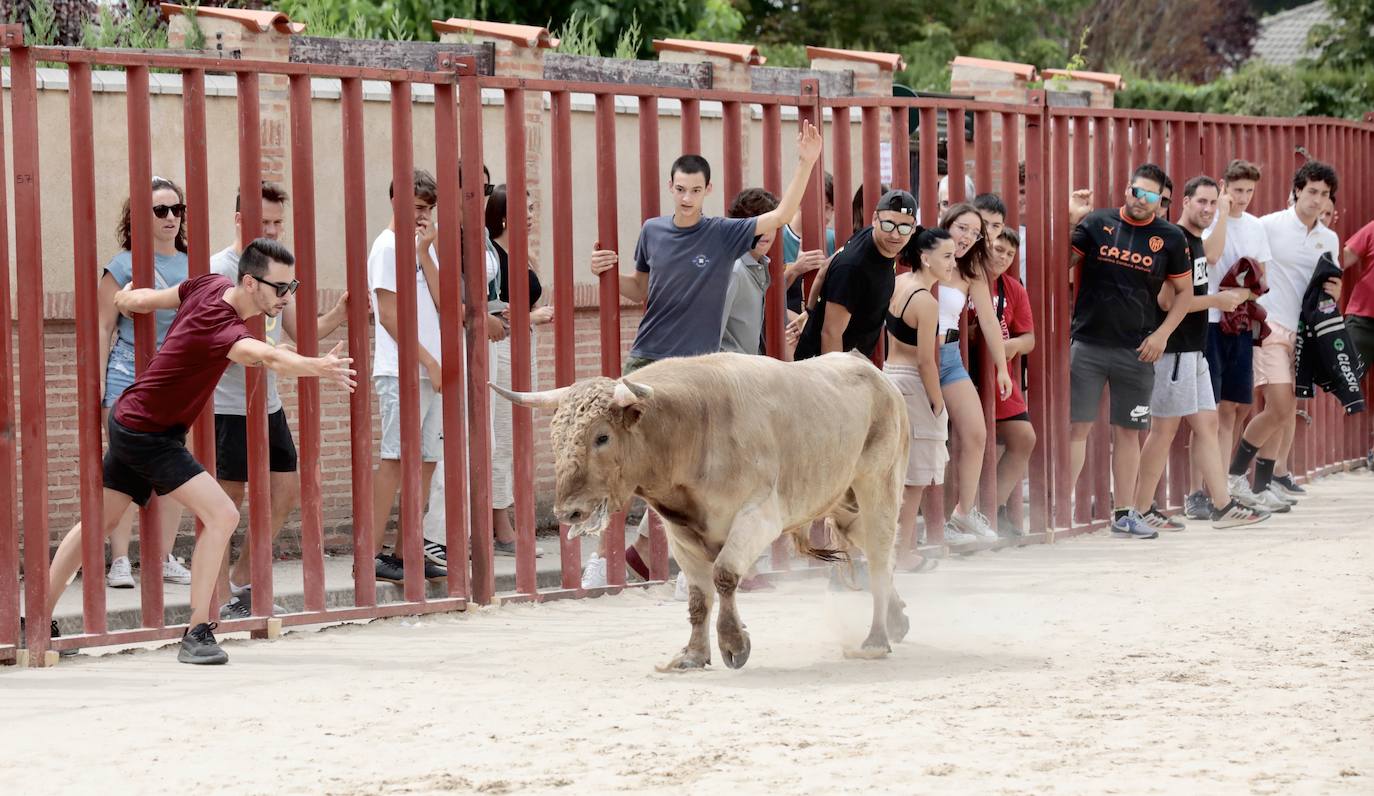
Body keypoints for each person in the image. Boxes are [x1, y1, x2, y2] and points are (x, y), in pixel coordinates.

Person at [39, 238, 356, 664]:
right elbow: (263, 357)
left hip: (135, 420)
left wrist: (126, 296)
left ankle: (36, 620)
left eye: (292, 286)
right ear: (249, 282)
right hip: (148, 432)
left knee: (100, 520)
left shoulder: (207, 284)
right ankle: (197, 631)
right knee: (223, 514)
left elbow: (156, 299)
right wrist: (315, 366)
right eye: (280, 288)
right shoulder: (223, 326)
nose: (287, 297)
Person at [583, 121, 823, 588]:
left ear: (708, 189)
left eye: (695, 189)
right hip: (647, 359)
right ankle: (598, 560)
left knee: (686, 475)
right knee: (621, 465)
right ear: (670, 188)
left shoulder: (721, 234)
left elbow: (780, 216)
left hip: (696, 377)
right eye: (679, 189)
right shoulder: (652, 230)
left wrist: (806, 162)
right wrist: (604, 274)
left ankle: (689, 570)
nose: (687, 197)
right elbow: (642, 289)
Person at [213, 182, 354, 619]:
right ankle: (216, 601)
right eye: (265, 222)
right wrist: (276, 357)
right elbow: (217, 339)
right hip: (227, 405)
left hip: (267, 400)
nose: (273, 230)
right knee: (225, 504)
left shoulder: (275, 267)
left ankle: (242, 580)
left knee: (286, 488)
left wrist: (340, 314)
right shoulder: (220, 268)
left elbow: (297, 330)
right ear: (240, 220)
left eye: (278, 222)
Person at [1132, 176, 1268, 530]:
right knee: (1162, 431)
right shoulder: (1175, 240)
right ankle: (1140, 508)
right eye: (1202, 202)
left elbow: (1214, 252)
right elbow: (1166, 300)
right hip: (1173, 350)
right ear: (1185, 202)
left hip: (1194, 349)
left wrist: (1223, 211)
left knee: (1207, 424)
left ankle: (1222, 506)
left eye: (1212, 202)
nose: (1207, 209)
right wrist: (1217, 301)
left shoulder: (1193, 241)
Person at [1066, 162, 1194, 540]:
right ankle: (1060, 510)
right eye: (1137, 192)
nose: (1142, 200)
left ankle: (1124, 513)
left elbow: (1185, 294)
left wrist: (1163, 336)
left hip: (1137, 349)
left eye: (1151, 196)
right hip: (1087, 342)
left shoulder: (1170, 238)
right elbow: (1062, 262)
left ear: (1162, 201)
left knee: (1129, 432)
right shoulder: (1096, 223)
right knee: (1077, 428)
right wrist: (1072, 218)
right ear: (1126, 189)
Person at [98, 177, 193, 590]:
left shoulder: (193, 265)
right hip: (126, 373)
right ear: (140, 217)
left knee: (173, 468)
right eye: (160, 211)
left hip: (172, 378)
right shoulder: (122, 266)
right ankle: (120, 560)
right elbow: (103, 328)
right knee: (121, 469)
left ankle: (163, 556)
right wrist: (96, 388)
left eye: (177, 209)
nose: (171, 217)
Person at [1228, 161, 1341, 503]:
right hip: (1269, 327)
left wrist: (1332, 296)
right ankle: (1234, 479)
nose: (1317, 200)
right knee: (1278, 407)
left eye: (1324, 194)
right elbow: (1243, 263)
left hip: (1305, 333)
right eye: (1311, 191)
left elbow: (1329, 287)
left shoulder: (1328, 238)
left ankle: (1262, 487)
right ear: (1296, 191)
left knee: (1287, 409)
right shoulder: (1269, 225)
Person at [1186, 160, 1286, 517]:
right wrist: (1224, 214)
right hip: (1209, 322)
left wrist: (1242, 296)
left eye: (1249, 191)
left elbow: (1262, 277)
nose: (1243, 197)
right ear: (1224, 186)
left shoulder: (1257, 226)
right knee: (1207, 412)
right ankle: (1197, 492)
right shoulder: (1209, 218)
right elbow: (1211, 255)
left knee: (1233, 408)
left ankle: (1222, 486)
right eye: (1237, 190)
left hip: (1239, 322)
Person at [367, 169, 453, 584]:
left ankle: (405, 552)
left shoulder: (422, 247)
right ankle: (370, 553)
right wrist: (430, 361)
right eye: (416, 208)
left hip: (430, 371)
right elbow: (387, 317)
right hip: (401, 371)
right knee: (395, 460)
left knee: (427, 461)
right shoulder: (385, 247)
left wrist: (424, 252)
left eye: (428, 209)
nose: (422, 216)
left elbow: (442, 303)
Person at [931, 202, 1014, 544]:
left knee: (976, 433)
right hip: (915, 354)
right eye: (961, 228)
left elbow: (990, 320)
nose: (967, 237)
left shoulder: (971, 272)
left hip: (949, 355)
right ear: (947, 223)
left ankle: (962, 514)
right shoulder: (925, 254)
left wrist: (1002, 368)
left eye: (975, 233)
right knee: (926, 441)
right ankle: (921, 526)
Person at [485, 185, 554, 557]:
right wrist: (533, 317)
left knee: (516, 438)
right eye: (521, 209)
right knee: (501, 436)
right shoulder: (492, 254)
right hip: (502, 349)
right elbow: (494, 311)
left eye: (530, 207)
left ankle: (505, 521)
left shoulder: (522, 254)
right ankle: (500, 527)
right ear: (500, 212)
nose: (528, 214)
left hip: (524, 348)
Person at [887, 228, 954, 566]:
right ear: (925, 258)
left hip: (888, 376)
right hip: (914, 383)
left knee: (892, 471)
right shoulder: (926, 301)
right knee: (915, 477)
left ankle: (895, 550)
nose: (952, 263)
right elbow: (927, 359)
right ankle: (903, 553)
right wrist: (937, 401)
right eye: (947, 256)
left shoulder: (899, 283)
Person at [793, 189, 919, 360]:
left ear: (913, 228)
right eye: (888, 225)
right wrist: (839, 383)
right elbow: (831, 334)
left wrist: (809, 311)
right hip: (828, 369)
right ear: (875, 219)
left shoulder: (870, 236)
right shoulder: (853, 267)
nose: (895, 234)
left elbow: (824, 268)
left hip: (853, 362)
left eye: (904, 228)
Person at [985, 226, 1037, 535]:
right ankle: (957, 514)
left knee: (1024, 437)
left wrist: (1012, 346)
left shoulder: (1013, 288)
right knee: (962, 442)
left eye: (1010, 254)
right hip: (968, 373)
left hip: (1001, 376)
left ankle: (995, 507)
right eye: (998, 250)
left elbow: (1029, 338)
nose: (1004, 258)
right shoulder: (966, 280)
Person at [1341, 212, 1374, 463]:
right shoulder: (1372, 229)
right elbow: (1342, 259)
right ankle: (1336, 451)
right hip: (1363, 317)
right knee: (1346, 376)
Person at [781, 171, 834, 314]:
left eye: (832, 209)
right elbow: (766, 294)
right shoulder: (775, 237)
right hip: (785, 328)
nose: (828, 216)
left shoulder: (831, 238)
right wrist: (794, 269)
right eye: (824, 207)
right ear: (800, 201)